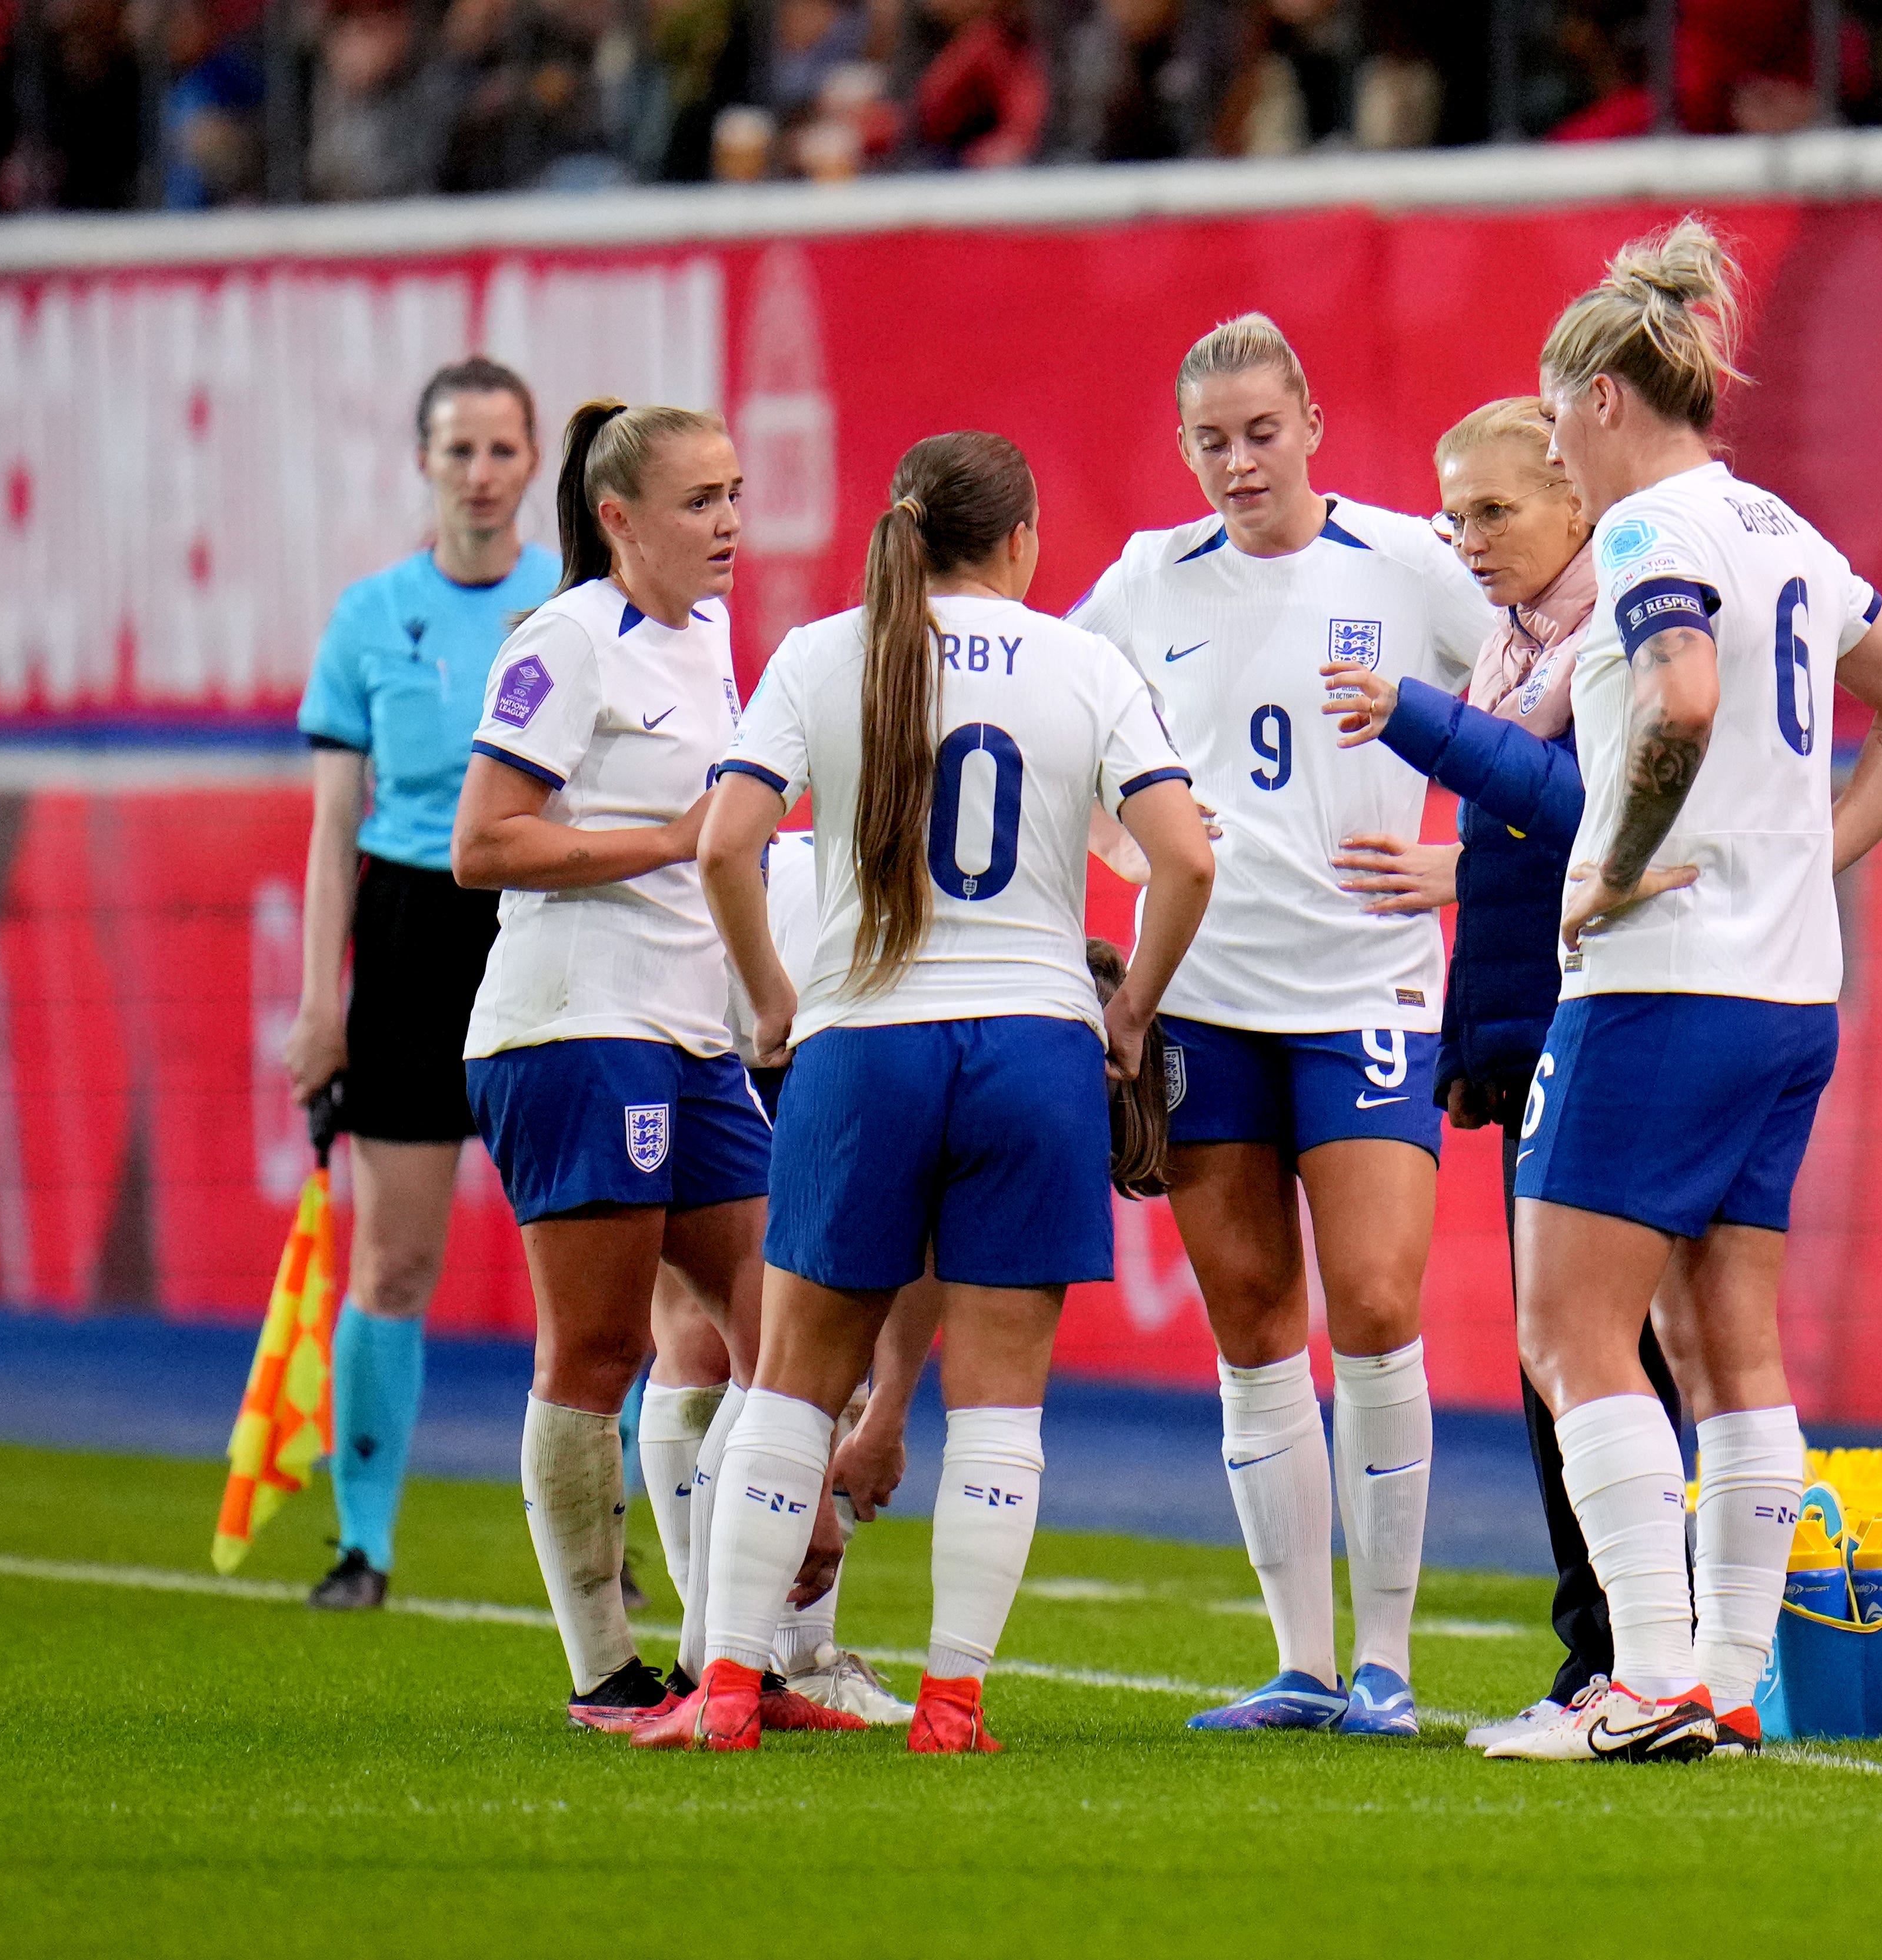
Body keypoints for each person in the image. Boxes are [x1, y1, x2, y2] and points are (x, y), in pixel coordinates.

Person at [644, 429, 1213, 1754]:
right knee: (1003, 1398)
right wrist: (1125, 1011)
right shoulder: (1084, 663)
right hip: (1033, 1046)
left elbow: (726, 842)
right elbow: (1183, 860)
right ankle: (951, 1705)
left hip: (865, 1043)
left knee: (790, 1384)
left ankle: (727, 1692)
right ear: (1019, 541)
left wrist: (774, 998)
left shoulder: (821, 652)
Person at [1485, 218, 1882, 1762]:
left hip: (1658, 984)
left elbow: (1682, 695)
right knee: (1729, 1347)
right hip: (1785, 992)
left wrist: (1621, 850)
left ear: (1607, 400)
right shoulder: (1783, 531)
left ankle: (1640, 1680)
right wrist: (1808, 851)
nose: (1555, 441)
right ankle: (1730, 1679)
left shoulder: (1648, 534)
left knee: (1573, 1337)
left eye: (1555, 410)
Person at [1068, 315, 1495, 1738]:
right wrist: (1143, 861)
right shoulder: (1142, 582)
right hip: (1204, 999)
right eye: (1210, 442)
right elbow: (1059, 731)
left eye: (1261, 431)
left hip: (1369, 985)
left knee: (1375, 1307)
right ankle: (1301, 1665)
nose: (1238, 464)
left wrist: (1472, 866)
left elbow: (1549, 716)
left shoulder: (1409, 563)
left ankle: (1388, 1661)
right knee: (1254, 1323)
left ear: (1310, 417)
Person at [1317, 395, 1691, 1749]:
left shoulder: (1614, 629)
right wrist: (1477, 1002)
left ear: (1576, 504)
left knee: (1604, 1348)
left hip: (1617, 1015)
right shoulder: (1522, 636)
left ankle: (1630, 1649)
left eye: (1495, 511)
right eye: (1453, 515)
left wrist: (1417, 727)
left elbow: (1586, 806)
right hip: (1536, 1017)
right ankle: (1624, 1642)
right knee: (1591, 1350)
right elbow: (1544, 837)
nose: (1467, 542)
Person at [451, 398, 774, 1724]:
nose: (731, 524)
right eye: (700, 502)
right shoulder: (564, 643)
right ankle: (604, 1669)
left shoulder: (710, 641)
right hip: (577, 1024)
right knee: (594, 1350)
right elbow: (483, 843)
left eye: (737, 494)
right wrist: (670, 841)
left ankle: (726, 1646)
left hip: (692, 1030)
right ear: (618, 519)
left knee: (786, 1327)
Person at [285, 359, 561, 1612]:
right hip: (405, 934)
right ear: (423, 464)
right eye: (459, 451)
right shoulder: (366, 619)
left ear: (537, 463)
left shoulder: (573, 604)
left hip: (546, 921)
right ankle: (364, 1544)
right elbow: (333, 825)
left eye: (502, 451)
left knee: (599, 1255)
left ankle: (616, 1538)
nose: (482, 475)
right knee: (393, 1263)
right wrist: (317, 998)